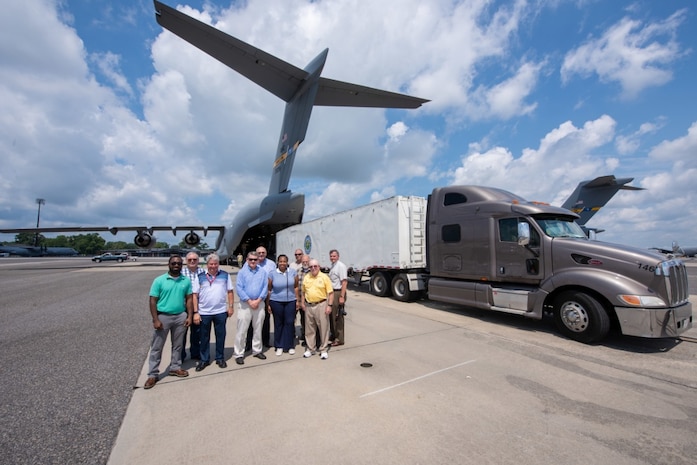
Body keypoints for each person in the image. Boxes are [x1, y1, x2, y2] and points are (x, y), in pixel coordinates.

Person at [145, 255, 193, 389]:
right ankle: (152, 374)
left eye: (179, 263)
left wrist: (189, 316)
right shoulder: (159, 280)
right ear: (169, 264)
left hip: (180, 316)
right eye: (174, 263)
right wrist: (155, 319)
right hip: (163, 317)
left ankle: (175, 367)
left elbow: (189, 299)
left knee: (178, 345)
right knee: (157, 347)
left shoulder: (186, 281)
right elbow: (152, 300)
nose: (176, 265)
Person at [193, 254, 234, 371]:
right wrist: (196, 312)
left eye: (215, 264)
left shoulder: (225, 275)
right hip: (204, 312)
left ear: (218, 264)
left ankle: (220, 358)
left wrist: (230, 307)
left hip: (220, 311)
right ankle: (204, 360)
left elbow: (230, 292)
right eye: (211, 264)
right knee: (204, 337)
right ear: (207, 264)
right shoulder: (200, 276)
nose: (213, 266)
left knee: (220, 336)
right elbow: (195, 295)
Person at [234, 251, 269, 365]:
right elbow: (239, 288)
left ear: (258, 260)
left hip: (259, 303)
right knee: (242, 330)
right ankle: (239, 353)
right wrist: (249, 301)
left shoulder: (262, 272)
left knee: (258, 328)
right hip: (245, 304)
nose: (253, 261)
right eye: (251, 259)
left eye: (255, 259)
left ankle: (257, 350)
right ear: (247, 260)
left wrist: (258, 300)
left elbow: (265, 287)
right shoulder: (242, 273)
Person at [301, 258, 333, 360]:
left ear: (319, 267)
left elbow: (330, 293)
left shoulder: (324, 277)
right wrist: (302, 303)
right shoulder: (306, 277)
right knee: (309, 329)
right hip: (309, 305)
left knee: (323, 328)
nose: (313, 268)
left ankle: (323, 349)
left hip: (321, 305)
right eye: (311, 267)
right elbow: (303, 292)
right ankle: (310, 349)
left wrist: (329, 306)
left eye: (315, 266)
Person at [267, 254, 299, 355]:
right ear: (277, 262)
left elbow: (296, 287)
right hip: (276, 301)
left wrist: (297, 300)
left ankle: (289, 345)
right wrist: (268, 304)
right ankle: (279, 345)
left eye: (284, 261)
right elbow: (269, 289)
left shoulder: (293, 272)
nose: (282, 263)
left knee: (289, 322)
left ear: (287, 262)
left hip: (290, 301)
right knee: (278, 323)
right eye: (280, 261)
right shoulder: (272, 274)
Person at [246, 246, 276, 349]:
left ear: (266, 253)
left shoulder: (271, 264)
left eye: (263, 252)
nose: (261, 254)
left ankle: (265, 341)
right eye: (259, 252)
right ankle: (249, 343)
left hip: (266, 295)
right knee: (250, 322)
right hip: (252, 297)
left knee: (265, 320)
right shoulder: (250, 263)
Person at [180, 251, 205, 361]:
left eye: (194, 259)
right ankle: (180, 355)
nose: (192, 261)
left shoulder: (203, 272)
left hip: (198, 306)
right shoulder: (180, 273)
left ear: (198, 261)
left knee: (197, 332)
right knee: (181, 333)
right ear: (186, 261)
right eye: (190, 260)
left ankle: (195, 353)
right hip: (183, 306)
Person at [328, 249, 348, 347]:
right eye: (331, 256)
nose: (332, 258)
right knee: (331, 315)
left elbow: (344, 282)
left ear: (338, 256)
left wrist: (341, 296)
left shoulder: (341, 266)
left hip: (338, 292)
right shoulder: (333, 266)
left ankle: (339, 339)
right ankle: (333, 334)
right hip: (332, 292)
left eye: (334, 256)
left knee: (338, 317)